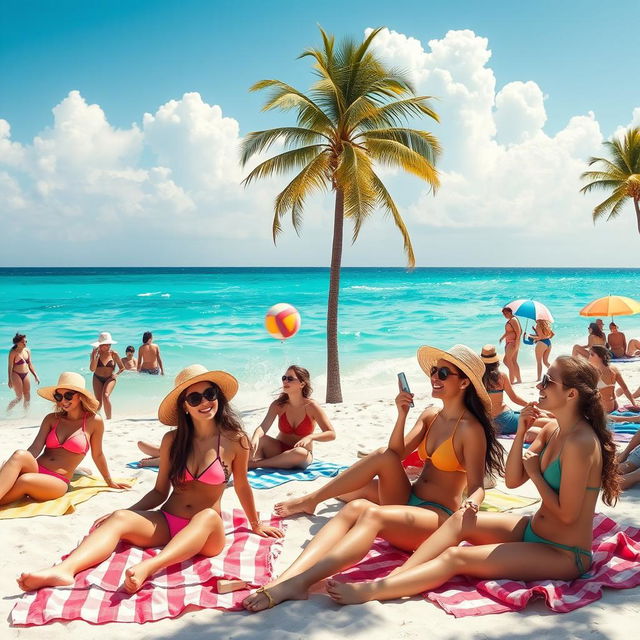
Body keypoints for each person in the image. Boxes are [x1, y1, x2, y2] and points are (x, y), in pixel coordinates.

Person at [323, 356, 621, 606]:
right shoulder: (552, 430)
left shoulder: (581, 443)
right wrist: (520, 433)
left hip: (564, 553)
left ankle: (376, 591)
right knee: (460, 520)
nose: (539, 386)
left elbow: (567, 514)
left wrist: (535, 474)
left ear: (571, 395)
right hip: (533, 528)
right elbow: (513, 479)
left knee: (456, 557)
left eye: (548, 382)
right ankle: (398, 577)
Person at [243, 345, 505, 611]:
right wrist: (401, 415)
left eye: (444, 372)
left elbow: (476, 487)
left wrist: (472, 504)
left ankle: (302, 582)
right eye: (434, 370)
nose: (434, 377)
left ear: (463, 382)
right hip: (408, 498)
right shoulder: (430, 416)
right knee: (376, 467)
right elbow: (395, 453)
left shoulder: (471, 429)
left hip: (435, 517)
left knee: (369, 513)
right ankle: (290, 575)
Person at [17, 364, 282, 594]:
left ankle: (149, 567)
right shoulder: (172, 441)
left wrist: (255, 523)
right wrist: (125, 512)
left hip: (206, 535)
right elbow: (159, 492)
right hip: (167, 522)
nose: (204, 402)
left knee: (208, 515)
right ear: (184, 406)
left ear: (218, 397)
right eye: (195, 398)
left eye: (210, 394)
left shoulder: (236, 440)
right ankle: (64, 570)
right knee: (120, 518)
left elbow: (243, 486)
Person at [0, 372, 127, 505]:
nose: (63, 401)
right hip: (36, 469)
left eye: (68, 396)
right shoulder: (51, 419)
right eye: (58, 396)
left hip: (57, 480)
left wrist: (109, 480)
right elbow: (35, 448)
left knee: (25, 480)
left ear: (80, 396)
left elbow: (98, 454)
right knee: (19, 454)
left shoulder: (94, 421)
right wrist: (18, 465)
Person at [249, 366, 335, 469]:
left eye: (290, 379)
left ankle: (257, 464)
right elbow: (263, 427)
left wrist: (310, 437)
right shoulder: (278, 405)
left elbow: (331, 434)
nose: (285, 381)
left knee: (299, 453)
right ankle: (245, 463)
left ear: (302, 384)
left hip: (300, 455)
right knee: (254, 438)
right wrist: (255, 437)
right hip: (278, 450)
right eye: (284, 378)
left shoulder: (312, 406)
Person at [480, 345, 527, 435]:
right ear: (496, 361)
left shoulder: (477, 378)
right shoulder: (501, 377)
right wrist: (529, 405)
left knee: (525, 414)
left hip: (487, 423)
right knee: (537, 417)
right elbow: (514, 398)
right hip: (505, 420)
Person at [587, 346, 637, 413]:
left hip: (603, 409)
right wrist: (634, 403)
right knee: (620, 390)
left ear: (600, 357)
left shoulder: (594, 372)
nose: (589, 356)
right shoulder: (614, 369)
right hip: (614, 405)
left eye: (592, 354)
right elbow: (625, 388)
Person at [89, 332, 124, 420]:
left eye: (109, 344)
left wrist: (116, 375)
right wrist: (95, 358)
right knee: (99, 402)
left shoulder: (114, 354)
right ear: (100, 345)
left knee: (106, 395)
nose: (108, 346)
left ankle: (109, 420)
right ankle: (94, 418)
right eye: (105, 344)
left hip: (110, 378)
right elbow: (92, 369)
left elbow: (122, 368)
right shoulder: (94, 354)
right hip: (97, 378)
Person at [7, 333, 40, 412]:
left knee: (27, 395)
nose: (25, 343)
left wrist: (36, 375)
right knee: (19, 397)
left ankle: (26, 415)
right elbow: (10, 366)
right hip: (15, 374)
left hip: (26, 374)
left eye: (26, 342)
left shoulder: (27, 351)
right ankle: (7, 411)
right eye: (23, 342)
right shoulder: (13, 352)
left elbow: (30, 364)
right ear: (17, 343)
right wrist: (10, 380)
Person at [499, 307, 522, 384]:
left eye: (505, 313)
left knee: (508, 361)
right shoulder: (511, 320)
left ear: (510, 312)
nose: (504, 315)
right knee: (512, 361)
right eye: (503, 314)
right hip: (510, 342)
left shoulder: (514, 320)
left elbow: (519, 332)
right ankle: (518, 379)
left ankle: (512, 380)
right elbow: (508, 332)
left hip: (513, 343)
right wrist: (502, 338)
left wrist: (516, 343)